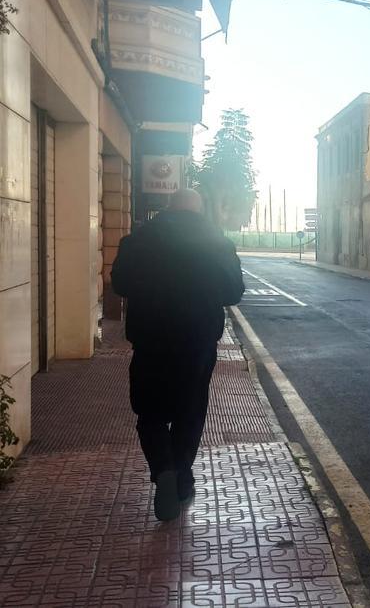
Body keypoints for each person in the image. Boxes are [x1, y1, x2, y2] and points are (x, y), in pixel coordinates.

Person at [111, 188, 245, 521]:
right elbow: (233, 292)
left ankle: (165, 470)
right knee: (191, 410)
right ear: (199, 211)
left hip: (150, 340)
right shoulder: (217, 242)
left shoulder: (139, 239)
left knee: (150, 412)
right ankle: (181, 476)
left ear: (169, 209)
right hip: (197, 342)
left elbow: (119, 284)